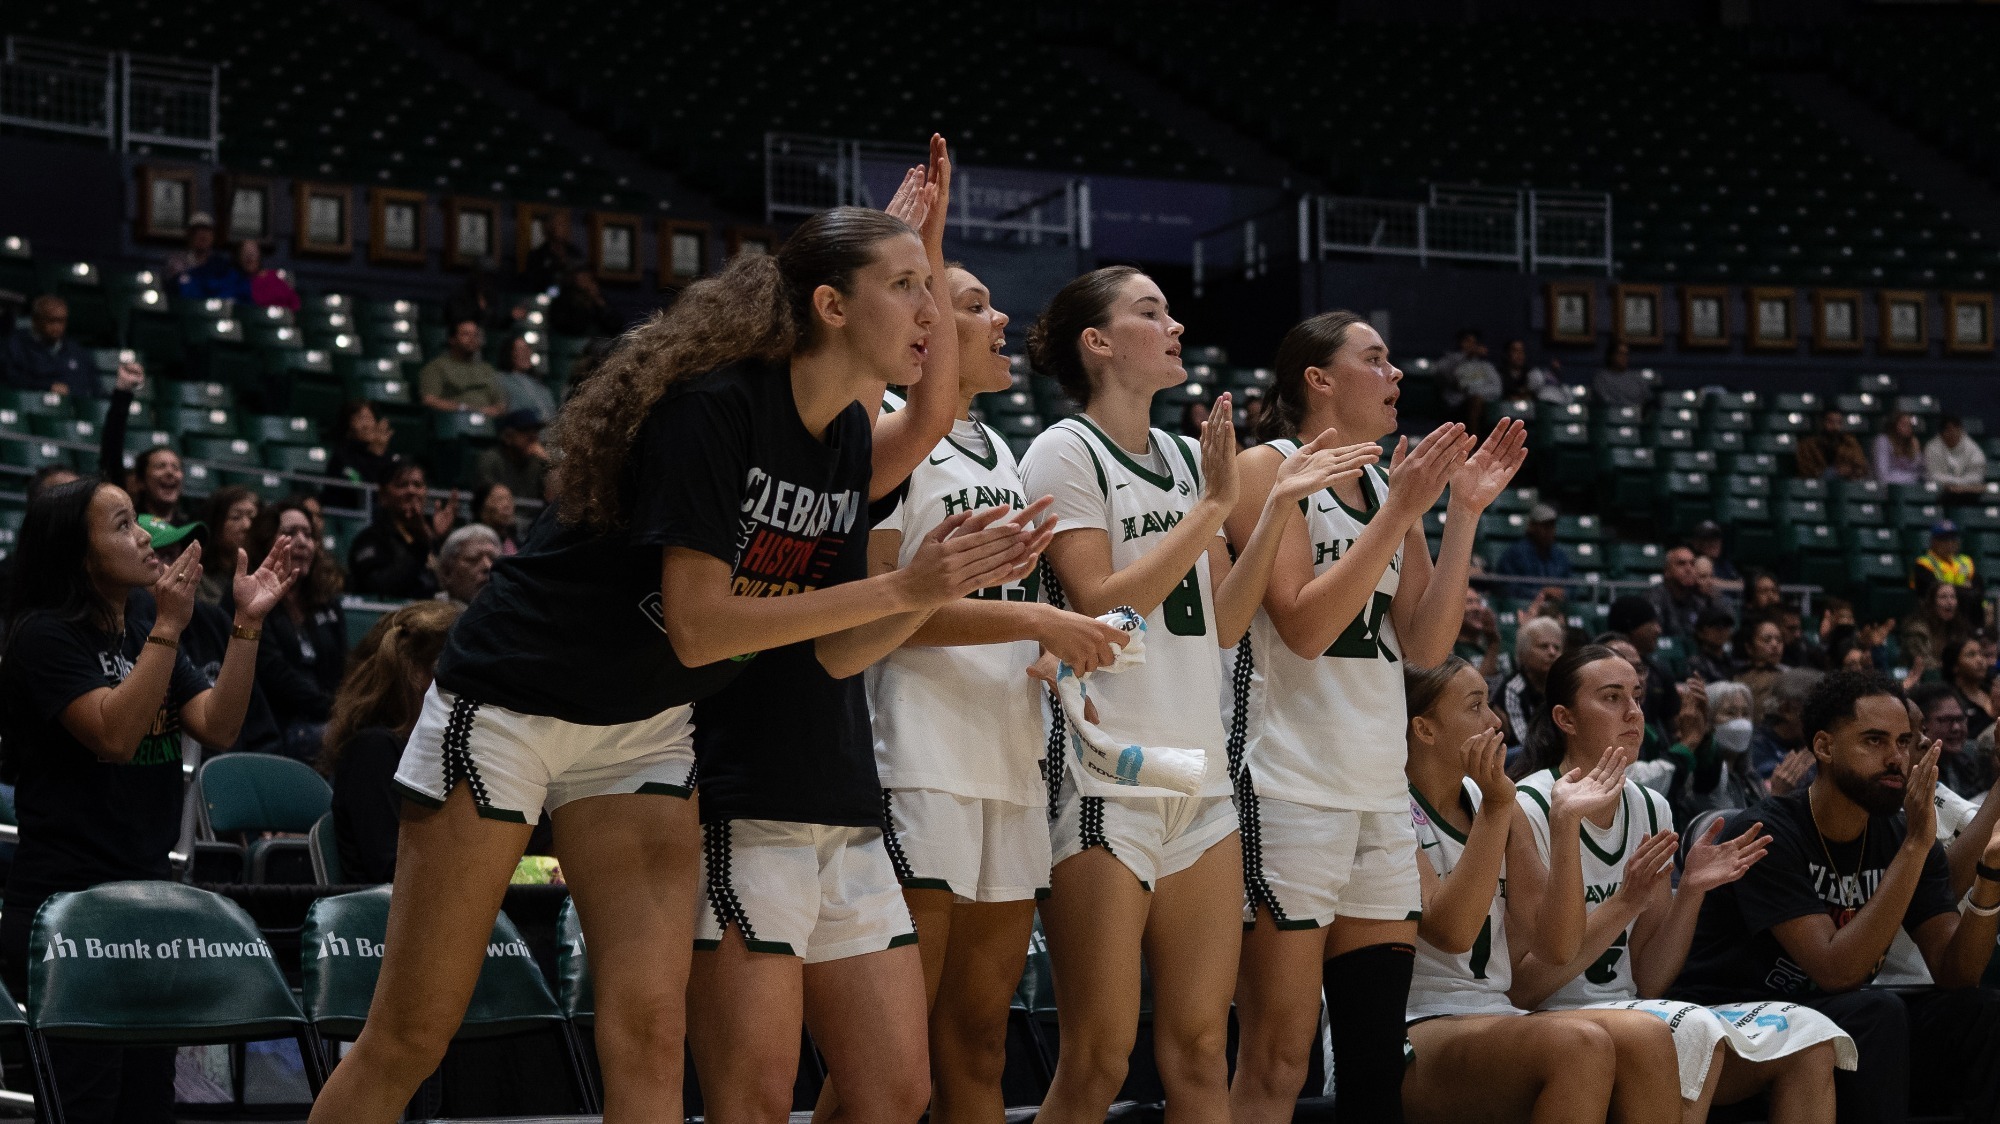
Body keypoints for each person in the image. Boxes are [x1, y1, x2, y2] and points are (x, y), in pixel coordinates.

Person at [299, 154, 1018, 1123]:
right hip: (511, 702)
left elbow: (932, 408)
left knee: (650, 1030)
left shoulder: (842, 435)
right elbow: (700, 625)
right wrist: (902, 584)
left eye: (930, 294)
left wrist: (915, 242)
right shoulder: (715, 407)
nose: (930, 314)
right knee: (415, 1030)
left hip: (638, 727)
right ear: (830, 307)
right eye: (904, 292)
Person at [1018, 273, 1384, 1124]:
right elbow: (1103, 605)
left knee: (1199, 1053)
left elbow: (1223, 622)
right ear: (1096, 343)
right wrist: (1214, 508)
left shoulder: (1189, 457)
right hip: (1103, 774)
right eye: (1149, 311)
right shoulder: (1062, 451)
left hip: (1200, 779)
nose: (1176, 322)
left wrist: (1276, 510)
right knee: (1099, 1059)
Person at [1225, 310, 1521, 1124]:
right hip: (1284, 789)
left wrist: (1457, 512)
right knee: (1278, 1061)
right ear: (1319, 379)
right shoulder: (1268, 469)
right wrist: (1401, 512)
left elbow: (1425, 642)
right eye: (1377, 360)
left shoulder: (1392, 490)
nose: (1396, 375)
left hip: (1377, 798)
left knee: (1371, 1065)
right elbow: (1306, 627)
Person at [859, 262, 1131, 1122]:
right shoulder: (890, 438)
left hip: (1008, 760)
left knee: (978, 1041)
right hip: (920, 753)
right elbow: (878, 616)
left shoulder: (999, 450)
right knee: (886, 1071)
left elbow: (996, 606)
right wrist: (1039, 627)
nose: (1001, 316)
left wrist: (1047, 642)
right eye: (975, 306)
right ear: (927, 329)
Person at [0, 477, 295, 1124]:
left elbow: (217, 725)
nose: (145, 536)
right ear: (79, 556)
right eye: (123, 525)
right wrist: (167, 624)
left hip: (145, 901)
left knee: (148, 1107)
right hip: (69, 908)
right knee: (86, 1106)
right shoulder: (41, 637)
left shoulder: (139, 625)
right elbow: (115, 735)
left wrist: (246, 625)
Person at [1510, 645, 1848, 1124]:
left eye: (1637, 695)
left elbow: (1648, 979)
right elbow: (1523, 987)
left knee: (1808, 1034)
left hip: (1632, 1012)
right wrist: (1625, 903)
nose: (1633, 712)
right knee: (1690, 1025)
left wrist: (1690, 889)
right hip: (1548, 1021)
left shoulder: (1651, 807)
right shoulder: (1528, 808)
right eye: (1611, 697)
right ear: (1565, 718)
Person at [1672, 670, 2000, 1123]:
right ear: (1824, 747)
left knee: (1980, 1011)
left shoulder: (1903, 832)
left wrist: (1990, 875)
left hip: (1825, 1007)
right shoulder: (1765, 833)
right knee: (1872, 1012)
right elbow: (1835, 971)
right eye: (1874, 741)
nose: (1897, 759)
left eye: (1904, 742)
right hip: (1732, 1012)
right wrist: (1914, 849)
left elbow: (1956, 971)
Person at [1400, 656, 1632, 1124]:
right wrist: (1498, 810)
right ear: (1424, 730)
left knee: (1648, 1040)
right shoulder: (1390, 804)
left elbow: (1558, 945)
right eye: (1475, 706)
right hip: (1410, 1024)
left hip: (1494, 1015)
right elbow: (1453, 931)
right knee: (1579, 1046)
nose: (1495, 720)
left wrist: (1564, 825)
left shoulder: (1493, 799)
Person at [320, 601, 461, 884]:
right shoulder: (373, 751)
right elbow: (391, 868)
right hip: (385, 921)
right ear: (420, 675)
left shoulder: (448, 748)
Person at [246, 500, 347, 760]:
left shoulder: (326, 600)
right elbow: (273, 673)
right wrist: (334, 709)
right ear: (267, 542)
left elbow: (343, 666)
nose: (302, 542)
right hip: (275, 723)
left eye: (309, 534)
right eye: (290, 533)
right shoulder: (250, 596)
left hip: (325, 716)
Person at [347, 461, 455, 600]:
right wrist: (420, 545)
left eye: (418, 485)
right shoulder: (370, 540)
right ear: (383, 496)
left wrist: (443, 540)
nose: (411, 491)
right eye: (402, 485)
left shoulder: (434, 532)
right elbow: (380, 587)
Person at [1667, 680, 1767, 828]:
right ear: (1707, 721)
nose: (1741, 722)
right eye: (1730, 713)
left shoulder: (1750, 778)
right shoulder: (1700, 777)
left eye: (1745, 714)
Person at [2, 295, 97, 398]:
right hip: (29, 405)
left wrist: (71, 390)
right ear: (36, 320)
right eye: (51, 320)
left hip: (69, 409)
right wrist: (48, 386)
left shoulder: (76, 351)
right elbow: (11, 379)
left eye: (61, 321)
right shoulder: (16, 345)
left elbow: (92, 387)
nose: (57, 327)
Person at [1494, 615, 1564, 749]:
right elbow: (1524, 744)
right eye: (1544, 647)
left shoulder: (1563, 686)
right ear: (1523, 654)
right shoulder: (1513, 688)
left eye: (1557, 647)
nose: (1552, 652)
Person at [1911, 683, 1989, 799]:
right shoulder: (1912, 772)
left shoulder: (1968, 764)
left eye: (1960, 719)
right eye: (1946, 720)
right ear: (1922, 725)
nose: (1956, 728)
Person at [418, 320, 506, 415]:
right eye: (466, 334)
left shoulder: (486, 369)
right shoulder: (436, 366)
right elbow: (429, 400)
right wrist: (464, 409)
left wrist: (492, 411)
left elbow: (501, 404)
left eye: (475, 335)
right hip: (454, 420)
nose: (472, 339)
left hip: (488, 420)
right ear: (452, 339)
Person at [196, 487, 260, 607]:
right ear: (216, 524)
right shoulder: (197, 579)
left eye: (252, 517)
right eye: (236, 517)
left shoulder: (263, 574)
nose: (247, 525)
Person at [327, 401, 397, 509]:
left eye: (369, 419)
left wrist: (378, 455)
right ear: (348, 426)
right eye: (359, 419)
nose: (366, 425)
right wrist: (375, 456)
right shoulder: (341, 457)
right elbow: (359, 492)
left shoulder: (387, 455)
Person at [1902, 580, 1973, 683]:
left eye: (1953, 597)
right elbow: (1925, 665)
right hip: (1922, 681)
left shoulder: (1958, 628)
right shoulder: (1917, 630)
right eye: (1943, 597)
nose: (1949, 602)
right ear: (1932, 602)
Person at [472, 410, 550, 500]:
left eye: (535, 431)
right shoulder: (490, 460)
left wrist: (548, 462)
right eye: (525, 430)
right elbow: (487, 500)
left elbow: (553, 497)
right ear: (507, 437)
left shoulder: (538, 461)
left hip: (531, 513)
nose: (533, 436)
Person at [1434, 328, 1502, 428]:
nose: (1471, 345)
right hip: (1457, 405)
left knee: (1478, 402)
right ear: (1460, 342)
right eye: (1467, 341)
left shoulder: (1485, 366)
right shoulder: (1450, 360)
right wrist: (1464, 355)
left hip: (1482, 405)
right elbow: (1441, 373)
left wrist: (1475, 393)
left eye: (1473, 342)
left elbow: (1497, 389)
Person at [1647, 544, 1715, 642]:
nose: (1688, 569)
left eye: (1692, 564)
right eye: (1681, 563)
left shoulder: (1699, 602)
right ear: (1667, 571)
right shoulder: (1654, 598)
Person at [1493, 503, 1572, 581]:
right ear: (1532, 526)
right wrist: (1538, 592)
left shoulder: (1560, 556)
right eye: (1545, 526)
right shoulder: (1515, 554)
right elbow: (1505, 586)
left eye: (1552, 526)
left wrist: (1562, 592)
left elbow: (1572, 585)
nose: (1550, 531)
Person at [1736, 616, 1792, 723]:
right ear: (1749, 648)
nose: (1775, 645)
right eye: (1767, 640)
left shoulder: (1790, 676)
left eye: (1779, 640)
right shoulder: (1737, 678)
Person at [441, 264, 522, 336]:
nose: (486, 281)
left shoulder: (489, 297)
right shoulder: (459, 295)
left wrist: (510, 317)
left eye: (489, 277)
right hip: (462, 338)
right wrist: (478, 309)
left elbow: (495, 324)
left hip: (484, 341)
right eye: (483, 276)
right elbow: (456, 320)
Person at [1912, 519, 1981, 602]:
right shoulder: (1924, 564)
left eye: (1953, 539)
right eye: (1944, 540)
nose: (1950, 543)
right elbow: (1933, 593)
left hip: (1965, 610)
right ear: (1933, 542)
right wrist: (1964, 589)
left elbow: (1978, 590)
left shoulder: (1966, 561)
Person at [1945, 635, 1996, 745]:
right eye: (1971, 655)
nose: (1980, 660)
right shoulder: (1951, 700)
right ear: (1955, 666)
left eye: (1982, 654)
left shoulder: (1992, 690)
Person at [1925, 414, 1987, 504]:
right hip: (1940, 493)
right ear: (1942, 432)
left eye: (1956, 429)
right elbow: (1933, 475)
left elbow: (1977, 476)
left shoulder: (1972, 448)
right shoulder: (1932, 448)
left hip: (1967, 493)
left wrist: (1960, 486)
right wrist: (1954, 485)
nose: (1952, 433)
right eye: (1948, 430)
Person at [434, 523, 500, 607]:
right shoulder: (426, 617)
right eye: (473, 559)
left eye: (494, 560)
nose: (488, 566)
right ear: (447, 572)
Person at [1797, 408, 1870, 483]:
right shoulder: (1807, 445)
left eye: (1839, 422)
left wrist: (1849, 471)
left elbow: (1862, 467)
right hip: (1816, 486)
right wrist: (1833, 472)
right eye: (1830, 422)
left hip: (1845, 485)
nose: (1835, 427)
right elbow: (1805, 471)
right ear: (1821, 422)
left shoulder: (1850, 443)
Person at [496, 334, 558, 422]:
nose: (526, 353)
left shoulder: (540, 386)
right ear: (509, 354)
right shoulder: (501, 380)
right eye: (520, 350)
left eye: (527, 349)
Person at [549, 268, 621, 338]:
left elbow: (615, 326)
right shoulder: (564, 301)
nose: (586, 284)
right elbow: (571, 327)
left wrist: (600, 303)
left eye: (588, 280)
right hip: (571, 341)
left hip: (598, 342)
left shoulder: (601, 299)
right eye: (581, 280)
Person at [523, 211, 582, 293]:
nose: (565, 228)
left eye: (566, 224)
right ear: (548, 226)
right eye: (560, 224)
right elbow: (533, 285)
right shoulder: (537, 256)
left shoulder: (575, 254)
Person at [1455, 588, 1507, 681]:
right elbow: (1475, 689)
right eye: (1469, 602)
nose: (1477, 608)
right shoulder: (1451, 651)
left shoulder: (1497, 641)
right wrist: (1493, 644)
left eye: (1479, 602)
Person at [1494, 337, 1566, 404]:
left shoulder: (1531, 373)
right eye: (1515, 351)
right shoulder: (1498, 373)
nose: (1519, 354)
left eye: (1522, 351)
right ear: (1507, 354)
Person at [233, 239, 299, 311]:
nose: (250, 256)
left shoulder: (275, 277)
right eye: (245, 252)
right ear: (238, 257)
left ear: (260, 255)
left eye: (253, 252)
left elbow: (294, 302)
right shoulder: (235, 282)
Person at [1589, 340, 1647, 409]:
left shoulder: (1637, 377)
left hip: (1638, 416)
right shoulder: (1601, 378)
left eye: (1626, 354)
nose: (1624, 357)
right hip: (1613, 416)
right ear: (1611, 356)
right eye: (1620, 354)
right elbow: (1606, 401)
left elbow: (1647, 398)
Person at [1687, 606, 1738, 685]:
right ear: (1701, 632)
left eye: (1726, 626)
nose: (1721, 630)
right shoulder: (1696, 664)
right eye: (1715, 625)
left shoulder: (1731, 663)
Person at [1873, 411, 1925, 486]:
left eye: (1910, 425)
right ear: (1894, 425)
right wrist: (1912, 478)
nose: (1908, 428)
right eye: (1904, 424)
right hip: (1888, 489)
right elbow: (1883, 476)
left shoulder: (1911, 443)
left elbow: (1919, 470)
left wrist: (1917, 451)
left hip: (1910, 487)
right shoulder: (1883, 441)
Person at [163, 212, 220, 277]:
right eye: (197, 232)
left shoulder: (220, 265)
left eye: (207, 232)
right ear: (190, 236)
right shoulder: (176, 262)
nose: (203, 236)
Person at [471, 482, 520, 554]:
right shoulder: (470, 542)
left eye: (510, 499)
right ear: (482, 508)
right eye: (499, 499)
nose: (507, 505)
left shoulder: (517, 545)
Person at [1688, 519, 1739, 583]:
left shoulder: (1724, 564)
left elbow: (1740, 585)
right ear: (1696, 543)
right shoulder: (1690, 563)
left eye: (1717, 538)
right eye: (1708, 539)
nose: (1714, 543)